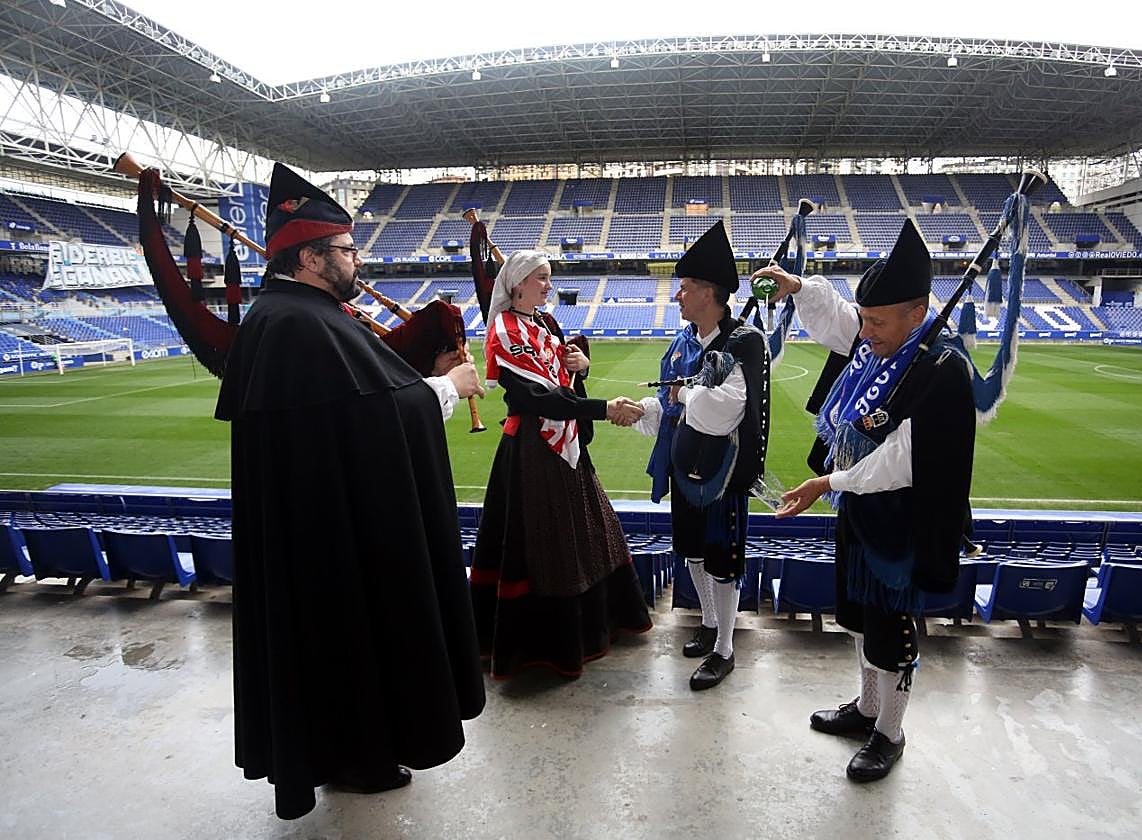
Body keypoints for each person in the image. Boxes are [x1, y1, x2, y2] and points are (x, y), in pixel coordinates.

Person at [214, 163, 487, 819]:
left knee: (334, 649)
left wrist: (419, 375)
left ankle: (346, 752)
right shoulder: (299, 324)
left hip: (315, 530)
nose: (356, 261)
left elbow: (358, 398)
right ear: (310, 256)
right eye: (345, 249)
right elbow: (376, 421)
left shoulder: (294, 316)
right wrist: (450, 390)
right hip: (327, 538)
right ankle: (356, 757)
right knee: (344, 643)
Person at [753, 218, 975, 782]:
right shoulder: (881, 343)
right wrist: (799, 288)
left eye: (877, 320)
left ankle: (890, 732)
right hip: (857, 510)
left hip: (899, 524)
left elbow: (902, 461)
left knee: (891, 632)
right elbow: (840, 320)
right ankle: (867, 707)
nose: (865, 331)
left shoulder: (942, 370)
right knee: (856, 617)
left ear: (916, 315)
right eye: (866, 319)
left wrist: (829, 483)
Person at [469, 250, 652, 679]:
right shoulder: (504, 330)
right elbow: (534, 398)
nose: (549, 286)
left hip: (564, 443)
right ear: (517, 285)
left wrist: (581, 368)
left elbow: (562, 383)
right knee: (544, 542)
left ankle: (596, 628)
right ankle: (549, 645)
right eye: (541, 279)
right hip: (533, 449)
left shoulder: (545, 324)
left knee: (587, 532)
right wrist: (603, 408)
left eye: (548, 278)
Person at [628, 221, 770, 691]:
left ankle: (726, 648)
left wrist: (687, 395)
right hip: (685, 468)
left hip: (722, 474)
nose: (677, 297)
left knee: (722, 562)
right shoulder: (685, 342)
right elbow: (672, 406)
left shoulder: (744, 341)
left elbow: (723, 411)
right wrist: (643, 410)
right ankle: (708, 623)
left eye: (684, 288)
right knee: (691, 552)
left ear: (709, 293)